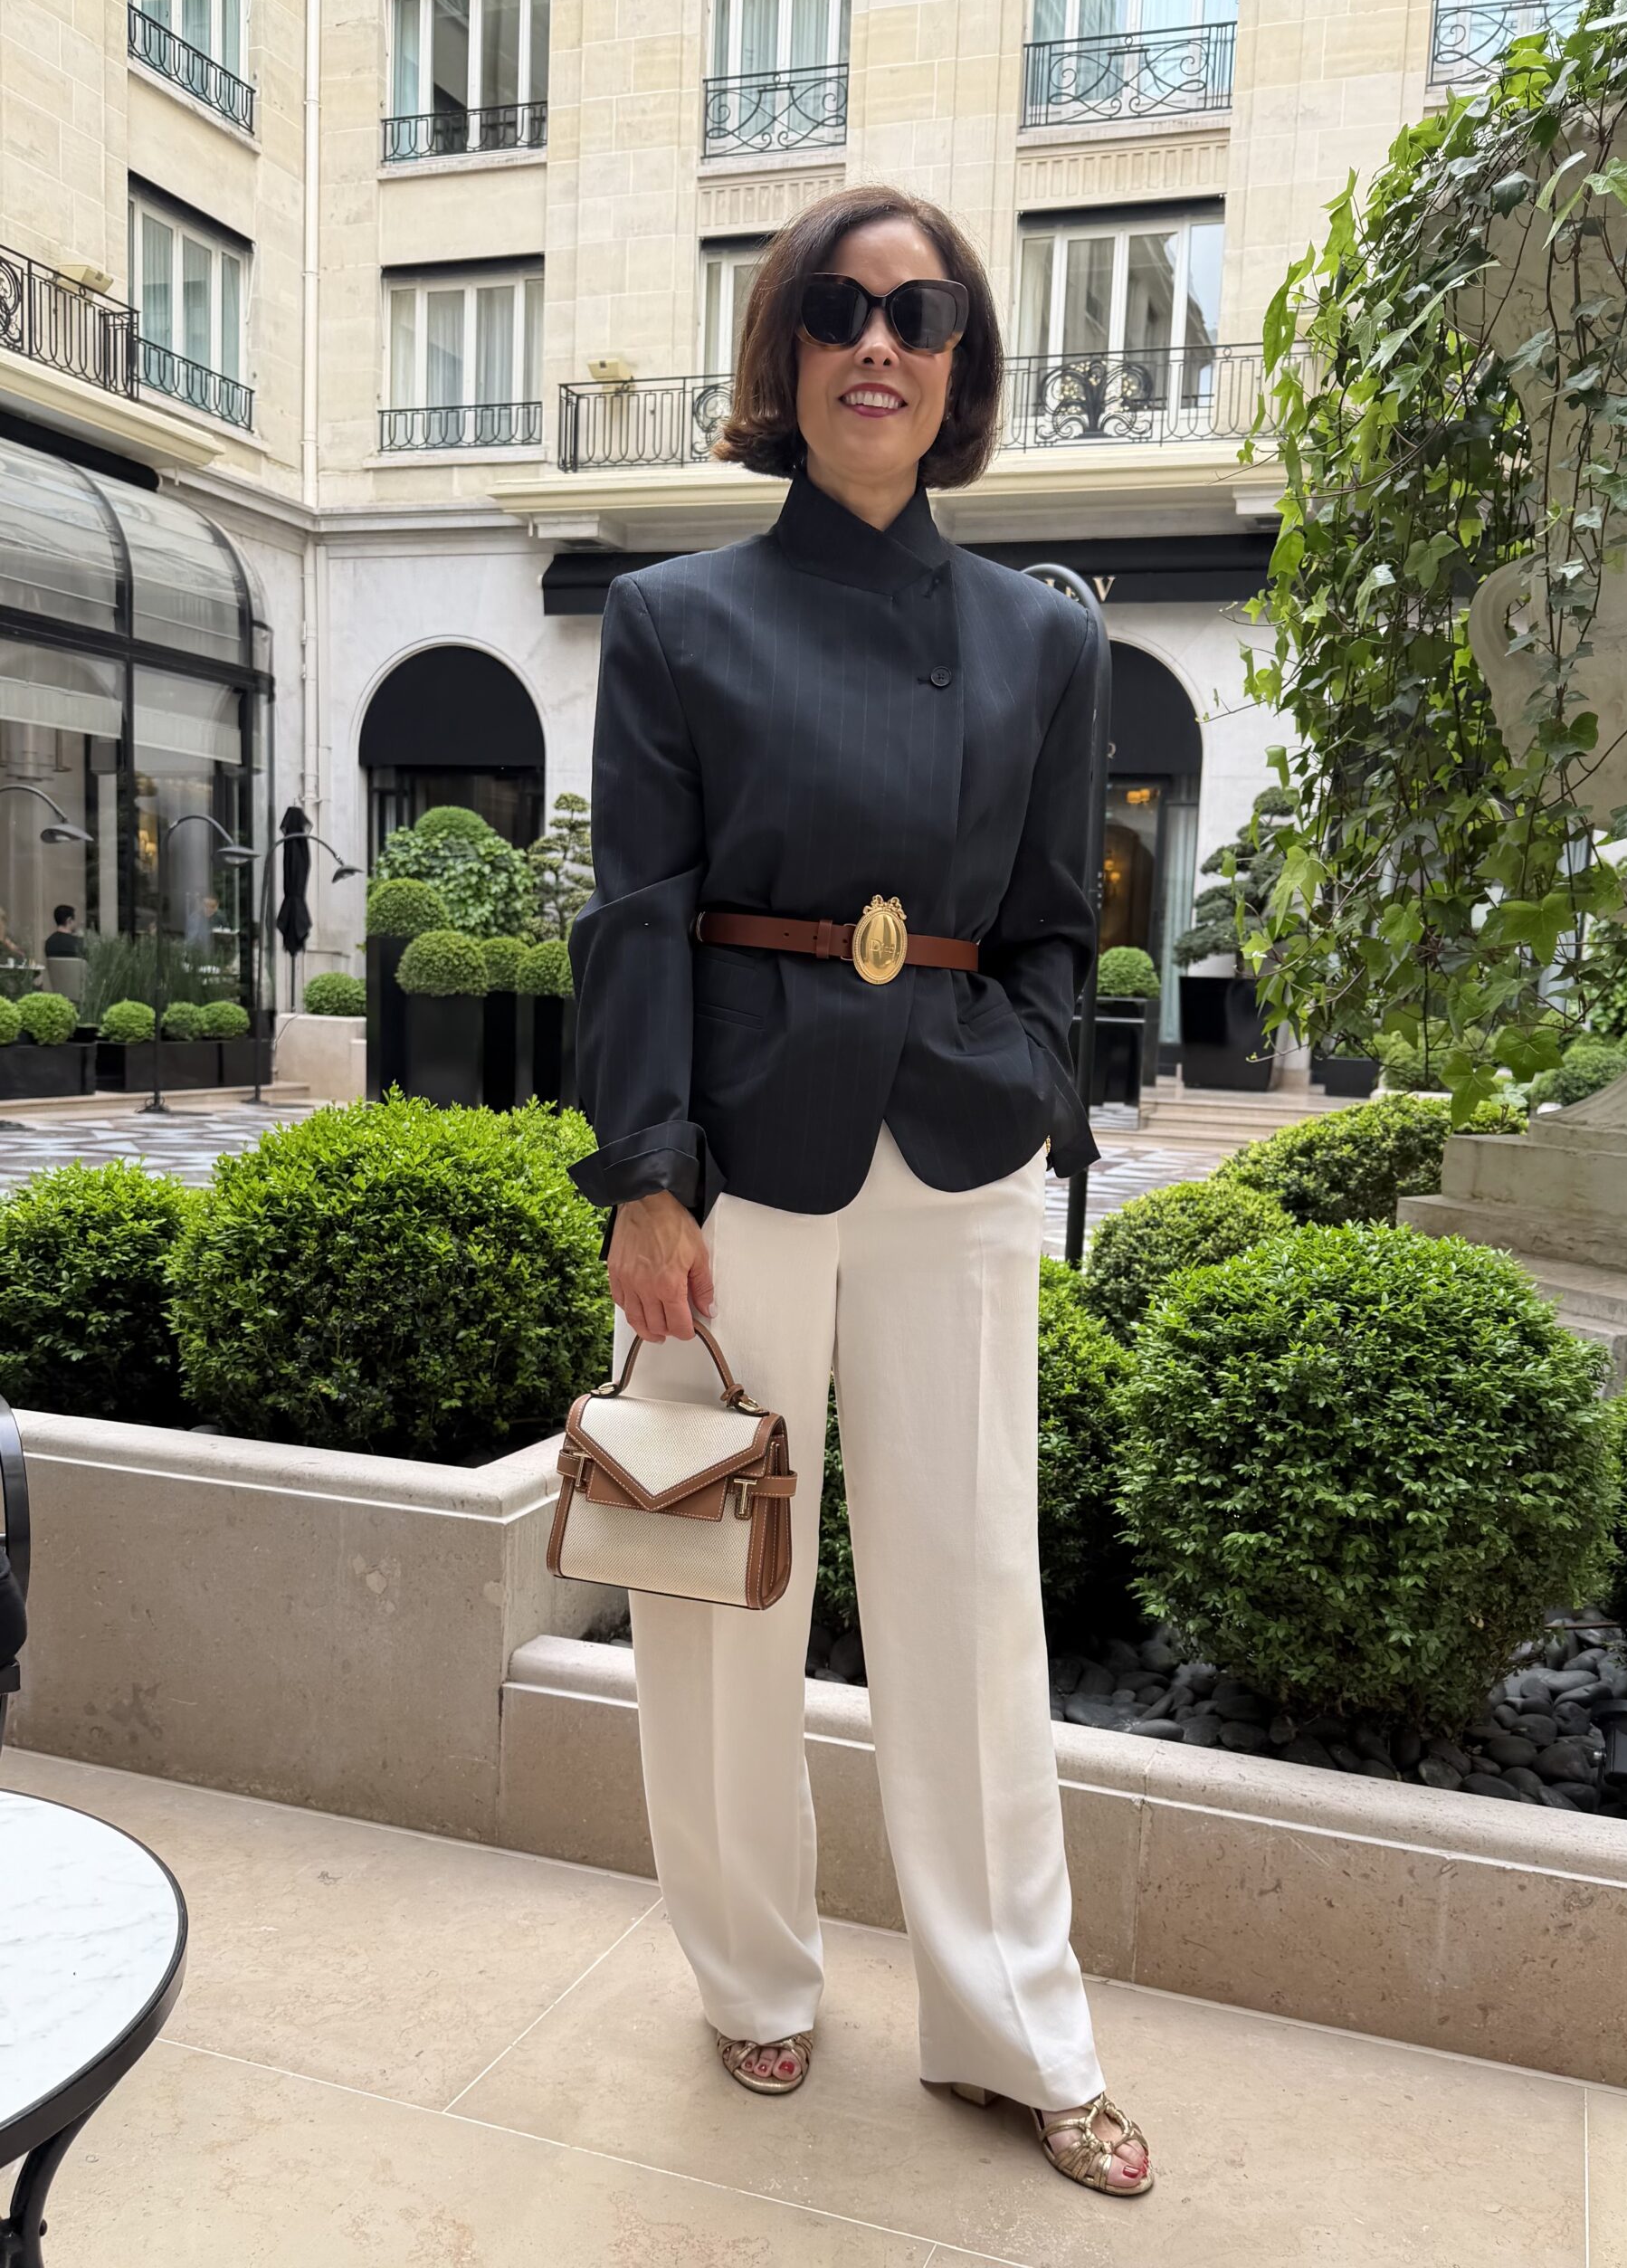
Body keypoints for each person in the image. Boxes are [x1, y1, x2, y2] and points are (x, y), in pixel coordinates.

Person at [567, 185, 1151, 2200]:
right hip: (738, 1159)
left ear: (963, 362)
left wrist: (1041, 1079)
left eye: (918, 312)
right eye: (838, 309)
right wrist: (641, 1175)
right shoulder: (677, 619)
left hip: (964, 1151)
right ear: (785, 356)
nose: (877, 343)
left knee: (976, 1593)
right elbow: (632, 913)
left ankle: (1014, 2021)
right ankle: (753, 1964)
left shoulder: (1047, 637)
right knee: (722, 1582)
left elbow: (1067, 923)